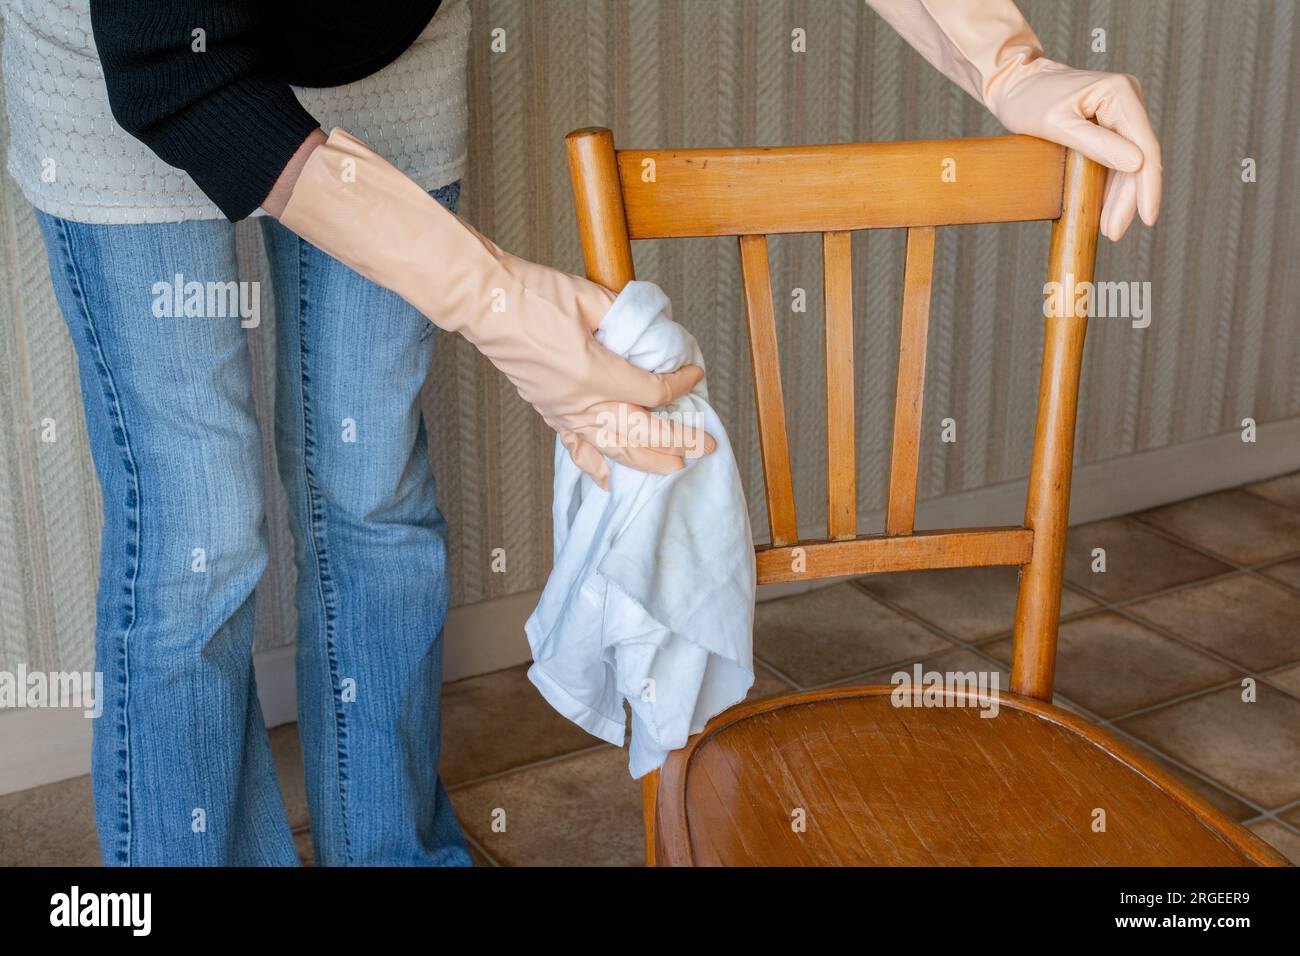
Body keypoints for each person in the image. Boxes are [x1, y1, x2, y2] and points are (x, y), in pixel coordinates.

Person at [3, 0, 1160, 866]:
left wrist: (1007, 63)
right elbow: (170, 65)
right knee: (199, 531)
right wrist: (495, 303)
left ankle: (393, 853)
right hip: (135, 59)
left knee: (371, 490)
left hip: (377, 52)